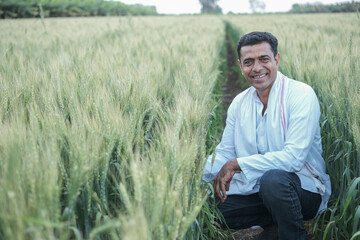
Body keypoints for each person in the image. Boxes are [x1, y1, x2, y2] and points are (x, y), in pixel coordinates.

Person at [202, 31, 331, 240]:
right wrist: (192, 175)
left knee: (274, 180)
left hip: (303, 190)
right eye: (248, 62)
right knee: (209, 211)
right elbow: (225, 152)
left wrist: (237, 165)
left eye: (264, 59)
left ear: (276, 59)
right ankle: (275, 227)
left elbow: (293, 159)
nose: (257, 68)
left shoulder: (300, 95)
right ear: (240, 65)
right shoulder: (239, 103)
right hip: (257, 190)